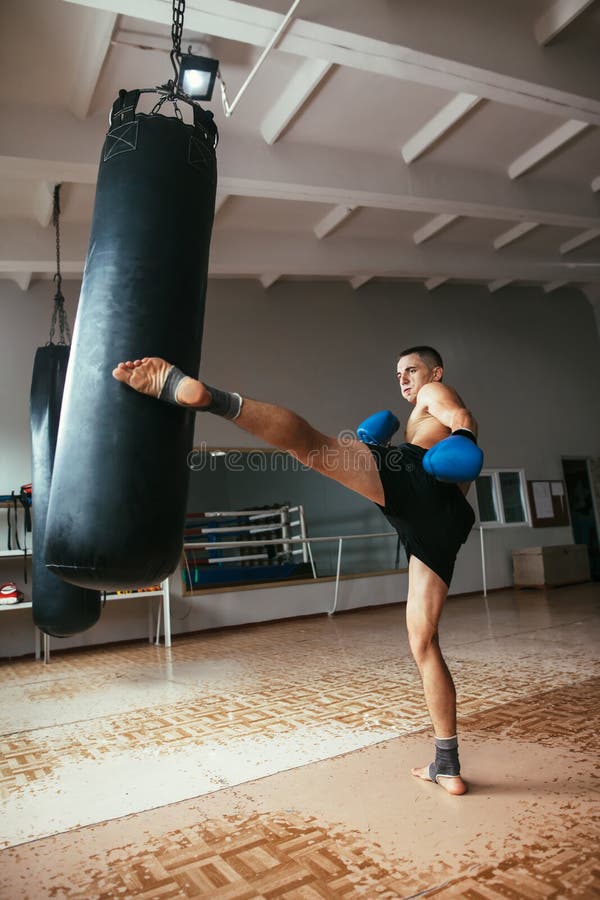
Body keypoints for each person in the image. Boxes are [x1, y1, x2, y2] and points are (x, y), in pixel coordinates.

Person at [113, 345, 477, 795]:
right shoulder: (421, 412)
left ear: (434, 371)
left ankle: (209, 398)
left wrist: (466, 437)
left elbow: (460, 415)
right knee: (424, 643)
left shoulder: (437, 391)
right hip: (445, 521)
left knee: (310, 444)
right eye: (399, 374)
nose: (404, 380)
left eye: (412, 370)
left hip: (419, 480)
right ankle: (447, 764)